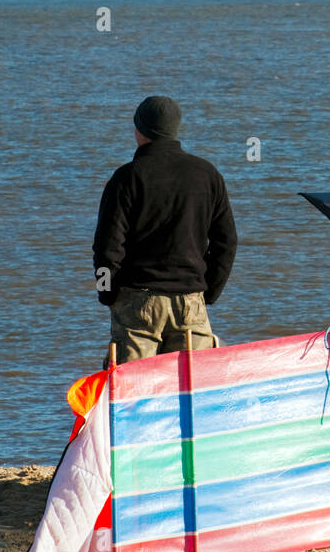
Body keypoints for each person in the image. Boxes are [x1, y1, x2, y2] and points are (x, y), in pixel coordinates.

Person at [93, 95, 237, 363]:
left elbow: (105, 247)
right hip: (191, 303)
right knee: (191, 390)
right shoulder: (207, 174)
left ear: (140, 129)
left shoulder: (126, 177)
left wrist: (106, 292)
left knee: (132, 395)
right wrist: (208, 292)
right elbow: (227, 243)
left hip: (138, 305)